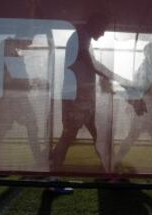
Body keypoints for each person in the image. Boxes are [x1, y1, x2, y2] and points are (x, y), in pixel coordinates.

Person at [49, 12, 131, 172]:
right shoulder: (81, 36)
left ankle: (110, 168)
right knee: (69, 136)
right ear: (95, 24)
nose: (103, 33)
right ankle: (54, 175)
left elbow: (94, 64)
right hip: (76, 100)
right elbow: (93, 65)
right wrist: (122, 81)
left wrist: (119, 80)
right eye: (103, 28)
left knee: (97, 133)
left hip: (82, 99)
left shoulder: (83, 37)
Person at [113, 42, 152, 171]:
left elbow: (151, 85)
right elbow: (148, 85)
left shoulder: (148, 67)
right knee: (151, 137)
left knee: (138, 137)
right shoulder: (146, 68)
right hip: (144, 109)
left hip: (144, 108)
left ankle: (116, 160)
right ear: (150, 53)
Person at [0, 36, 42, 169]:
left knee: (29, 126)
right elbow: (9, 78)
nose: (31, 44)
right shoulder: (8, 50)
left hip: (14, 97)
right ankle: (39, 160)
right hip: (13, 98)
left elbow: (12, 77)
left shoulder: (10, 51)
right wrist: (28, 83)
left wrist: (28, 83)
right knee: (29, 126)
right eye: (30, 40)